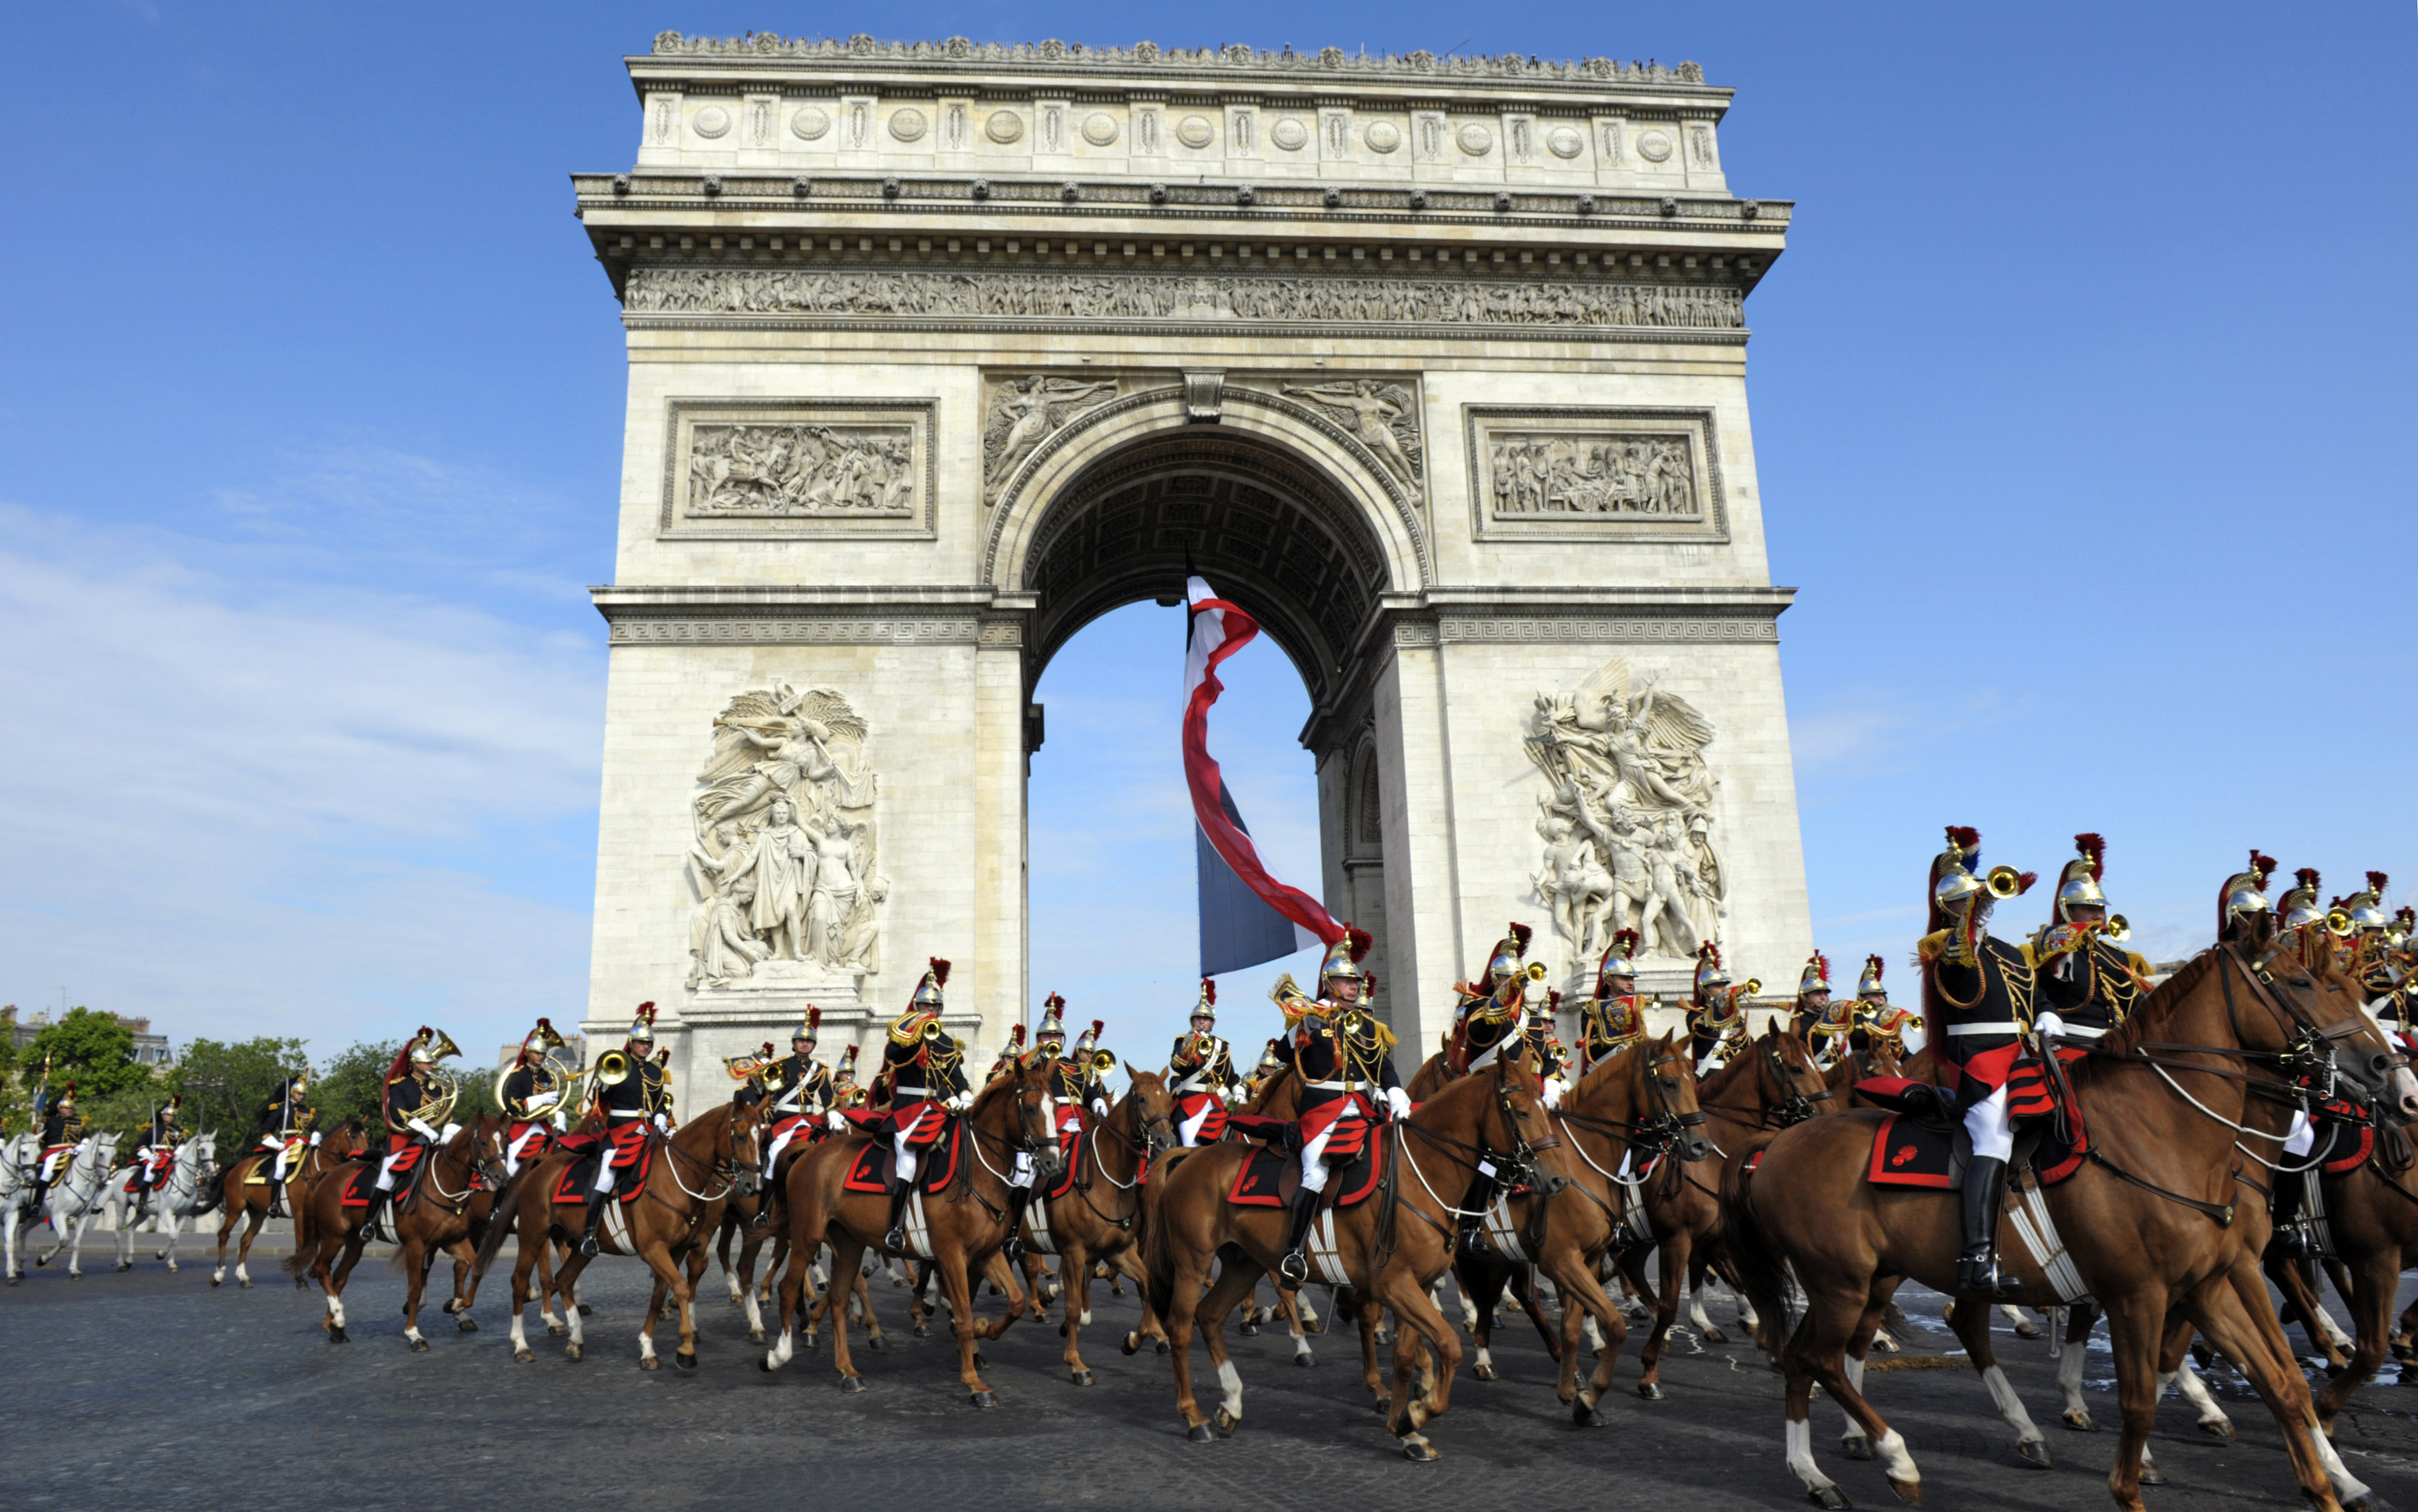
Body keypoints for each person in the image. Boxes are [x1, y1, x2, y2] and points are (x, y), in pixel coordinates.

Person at [1914, 826, 2039, 1298]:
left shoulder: (2008, 950)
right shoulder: (1946, 946)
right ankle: (1977, 1255)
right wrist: (1980, 901)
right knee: (1995, 1135)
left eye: (1980, 901)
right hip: (1981, 1061)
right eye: (1967, 902)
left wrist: (2044, 1013)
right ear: (1950, 908)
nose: (1978, 906)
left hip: (2023, 1053)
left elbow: (2033, 989)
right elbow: (1964, 947)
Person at [1273, 926, 1408, 1288]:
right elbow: (1284, 1055)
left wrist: (1396, 1093)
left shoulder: (1366, 1024)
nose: (1354, 987)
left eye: (1356, 982)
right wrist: (1300, 1022)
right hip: (1323, 1112)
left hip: (1363, 1107)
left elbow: (1382, 1065)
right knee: (1315, 1173)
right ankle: (1294, 1253)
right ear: (1330, 984)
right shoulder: (1312, 1019)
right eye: (1347, 981)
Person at [865, 960, 970, 1255]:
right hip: (909, 1109)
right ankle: (895, 1228)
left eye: (934, 1008)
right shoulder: (905, 1032)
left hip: (937, 1108)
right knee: (908, 1157)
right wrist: (911, 1031)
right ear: (917, 1007)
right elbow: (893, 1055)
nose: (930, 1012)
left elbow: (957, 1077)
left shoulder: (947, 1041)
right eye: (925, 1006)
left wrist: (965, 1094)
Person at [2027, 834, 2153, 1050]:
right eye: (2089, 909)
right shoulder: (2051, 947)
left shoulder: (2117, 956)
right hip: (2071, 1046)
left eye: (2101, 909)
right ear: (2069, 911)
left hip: (2118, 1048)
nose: (2098, 916)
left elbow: (2134, 1008)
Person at [576, 1004, 673, 1257]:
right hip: (620, 1132)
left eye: (648, 1043)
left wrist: (661, 1116)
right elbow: (601, 1098)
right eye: (641, 1043)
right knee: (607, 1175)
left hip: (650, 1129)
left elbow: (661, 1099)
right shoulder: (618, 1065)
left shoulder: (654, 1070)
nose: (645, 1047)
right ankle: (589, 1234)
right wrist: (605, 1081)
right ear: (631, 1043)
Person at [366, 1031, 451, 1243]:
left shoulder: (437, 1087)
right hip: (403, 1142)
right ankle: (369, 1222)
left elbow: (445, 1113)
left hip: (429, 1142)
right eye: (427, 1062)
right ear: (414, 1063)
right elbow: (399, 1114)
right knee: (387, 1177)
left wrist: (447, 1133)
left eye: (432, 1062)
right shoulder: (400, 1086)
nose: (431, 1065)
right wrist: (427, 1130)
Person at [753, 1008, 835, 1225]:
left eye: (809, 1042)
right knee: (775, 1153)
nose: (805, 1044)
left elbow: (827, 1097)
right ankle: (764, 1210)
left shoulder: (820, 1070)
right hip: (785, 1123)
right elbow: (768, 1093)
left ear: (813, 1045)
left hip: (810, 1121)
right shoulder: (781, 1065)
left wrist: (833, 1113)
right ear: (794, 1043)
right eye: (801, 1041)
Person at [1166, 979, 1244, 1146]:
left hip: (1216, 1102)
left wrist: (1239, 1093)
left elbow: (1230, 1075)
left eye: (1206, 1019)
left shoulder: (1221, 1046)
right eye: (1198, 1019)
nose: (1202, 1022)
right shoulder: (1182, 1042)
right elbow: (1176, 1065)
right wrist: (1190, 1043)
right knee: (1190, 1148)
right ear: (1192, 1021)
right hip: (1190, 1103)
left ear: (1212, 1022)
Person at [499, 1020, 568, 1178]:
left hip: (544, 1126)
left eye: (543, 1053)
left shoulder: (547, 1075)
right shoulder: (518, 1075)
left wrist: (560, 1120)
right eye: (537, 1053)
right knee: (512, 1167)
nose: (541, 1056)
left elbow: (558, 1103)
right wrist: (542, 1099)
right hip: (523, 1128)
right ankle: (499, 1202)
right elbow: (512, 1104)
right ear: (528, 1053)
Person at [1579, 930, 1650, 1071]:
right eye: (1624, 978)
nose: (1630, 983)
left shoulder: (1636, 1005)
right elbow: (1593, 1048)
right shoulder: (1592, 1010)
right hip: (1605, 1070)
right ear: (1609, 980)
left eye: (1631, 978)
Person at [247, 1074, 311, 1219]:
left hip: (303, 1143)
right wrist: (277, 1144)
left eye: (303, 1094)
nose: (301, 1097)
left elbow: (313, 1126)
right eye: (299, 1093)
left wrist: (317, 1135)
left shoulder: (305, 1110)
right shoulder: (281, 1109)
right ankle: (274, 1203)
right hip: (286, 1144)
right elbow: (266, 1130)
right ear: (292, 1093)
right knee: (281, 1169)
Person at [1686, 941, 1749, 1075]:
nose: (1724, 989)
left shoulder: (1733, 1017)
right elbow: (1702, 1027)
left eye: (1724, 985)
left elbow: (1746, 1043)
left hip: (1733, 1074)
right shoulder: (1694, 1015)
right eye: (1717, 985)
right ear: (1704, 990)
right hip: (1709, 1074)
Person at [129, 1094, 185, 1223]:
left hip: (171, 1156)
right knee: (149, 1173)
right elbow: (140, 1144)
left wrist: (178, 1152)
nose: (170, 1118)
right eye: (167, 1115)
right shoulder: (153, 1129)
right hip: (155, 1157)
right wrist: (149, 1155)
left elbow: (182, 1143)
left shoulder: (178, 1130)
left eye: (172, 1116)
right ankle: (142, 1201)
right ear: (163, 1115)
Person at [32, 1082, 85, 1210]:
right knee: (47, 1173)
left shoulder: (78, 1122)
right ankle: (36, 1204)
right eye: (66, 1108)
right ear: (60, 1109)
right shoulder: (51, 1121)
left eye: (71, 1108)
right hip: (55, 1152)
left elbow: (86, 1135)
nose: (69, 1110)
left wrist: (84, 1144)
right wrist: (40, 1125)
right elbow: (41, 1135)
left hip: (74, 1151)